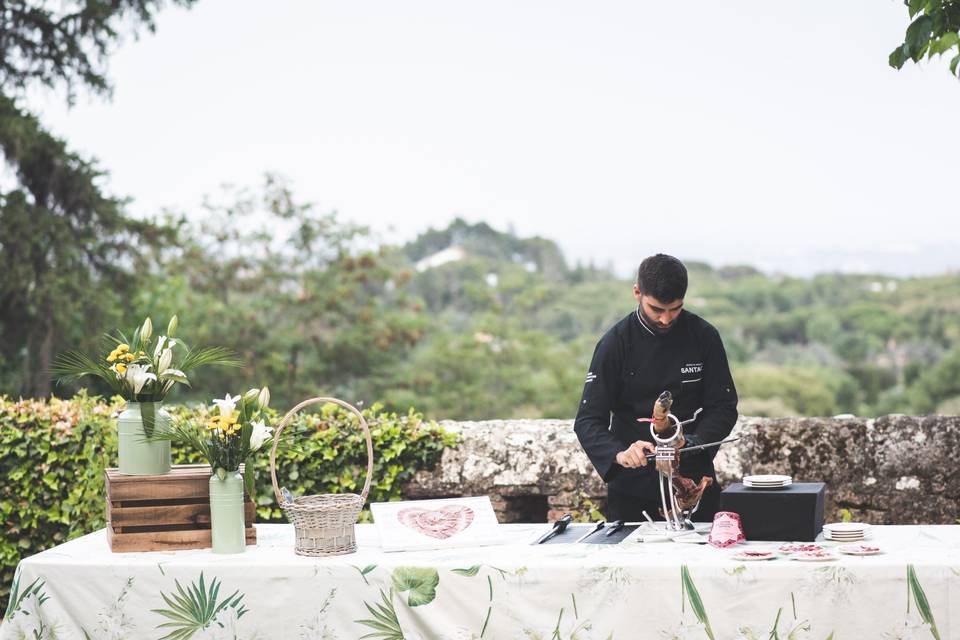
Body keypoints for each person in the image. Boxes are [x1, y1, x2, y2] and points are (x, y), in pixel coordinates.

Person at [573, 254, 738, 522]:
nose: (665, 319)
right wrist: (620, 453)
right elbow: (588, 419)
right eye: (656, 309)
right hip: (633, 489)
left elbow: (723, 407)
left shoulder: (704, 336)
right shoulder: (615, 344)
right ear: (637, 293)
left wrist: (691, 444)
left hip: (694, 480)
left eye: (675, 309)